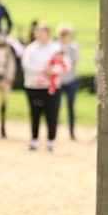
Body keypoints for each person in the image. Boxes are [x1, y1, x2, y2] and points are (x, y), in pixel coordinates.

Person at [21, 23, 64, 152]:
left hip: (50, 87)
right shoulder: (31, 49)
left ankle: (51, 141)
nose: (39, 34)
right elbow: (27, 65)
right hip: (33, 86)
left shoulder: (56, 48)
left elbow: (63, 64)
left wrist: (52, 71)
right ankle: (34, 140)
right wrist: (44, 70)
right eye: (37, 32)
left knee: (51, 114)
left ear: (48, 33)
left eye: (42, 32)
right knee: (35, 114)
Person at [56, 24, 81, 140]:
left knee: (71, 107)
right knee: (56, 107)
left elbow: (74, 60)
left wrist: (64, 51)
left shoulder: (74, 47)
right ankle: (54, 131)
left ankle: (72, 132)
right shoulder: (55, 46)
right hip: (58, 81)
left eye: (66, 34)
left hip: (71, 80)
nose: (64, 36)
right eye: (62, 34)